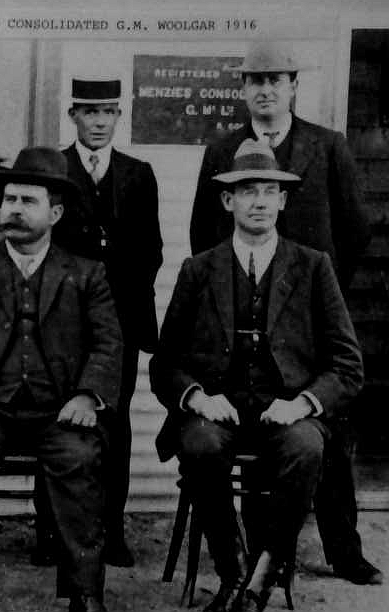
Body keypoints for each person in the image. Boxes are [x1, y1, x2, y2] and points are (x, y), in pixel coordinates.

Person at [188, 40, 381, 586]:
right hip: (245, 320)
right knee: (255, 425)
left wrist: (321, 299)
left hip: (311, 323)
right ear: (243, 90)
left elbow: (356, 229)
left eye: (276, 79)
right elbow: (204, 235)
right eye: (256, 81)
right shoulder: (222, 152)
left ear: (294, 85)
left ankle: (345, 550)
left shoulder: (328, 146)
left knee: (328, 437)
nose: (266, 89)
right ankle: (262, 558)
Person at [151, 139, 364, 612]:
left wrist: (303, 403)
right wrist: (198, 399)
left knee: (308, 446)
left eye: (270, 191)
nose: (260, 202)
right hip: (218, 408)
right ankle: (231, 571)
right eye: (248, 191)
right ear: (228, 201)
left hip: (287, 408)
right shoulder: (198, 270)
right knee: (201, 444)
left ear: (284, 200)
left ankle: (263, 572)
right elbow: (164, 363)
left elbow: (347, 364)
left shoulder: (313, 267)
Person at [0, 147, 123, 612]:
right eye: (9, 199)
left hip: (58, 411)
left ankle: (84, 594)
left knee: (80, 455)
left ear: (55, 213)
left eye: (27, 201)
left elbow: (109, 344)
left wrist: (87, 395)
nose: (13, 208)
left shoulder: (87, 274)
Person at [50, 77, 163, 567]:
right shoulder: (54, 167)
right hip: (59, 320)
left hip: (117, 322)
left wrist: (116, 306)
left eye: (108, 113)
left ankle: (109, 532)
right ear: (73, 114)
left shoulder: (139, 174)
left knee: (112, 429)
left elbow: (151, 252)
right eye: (89, 112)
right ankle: (53, 534)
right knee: (55, 423)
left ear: (119, 117)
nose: (99, 122)